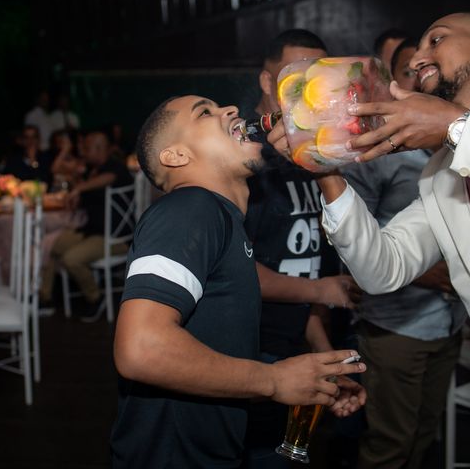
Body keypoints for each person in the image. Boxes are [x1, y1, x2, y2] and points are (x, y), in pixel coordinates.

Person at [269, 12, 470, 468]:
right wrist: (327, 174)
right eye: (417, 49)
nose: (417, 57)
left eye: (436, 39)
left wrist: (457, 126)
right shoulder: (439, 174)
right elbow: (382, 269)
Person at [110, 95, 366, 468]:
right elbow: (141, 348)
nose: (229, 110)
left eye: (220, 106)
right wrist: (274, 379)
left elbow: (210, 355)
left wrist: (309, 380)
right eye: (204, 113)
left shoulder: (222, 222)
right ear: (176, 156)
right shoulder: (190, 209)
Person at [339, 38, 466, 469]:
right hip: (397, 324)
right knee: (389, 446)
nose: (420, 78)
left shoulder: (464, 143)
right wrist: (430, 273)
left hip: (449, 323)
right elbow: (354, 238)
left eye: (428, 69)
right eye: (409, 72)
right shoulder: (378, 152)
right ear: (393, 82)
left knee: (425, 437)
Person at [241, 29, 363, 469]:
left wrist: (321, 352)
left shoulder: (315, 153)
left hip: (297, 345)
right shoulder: (245, 153)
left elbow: (310, 267)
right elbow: (234, 271)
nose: (310, 89)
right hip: (247, 351)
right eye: (295, 78)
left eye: (320, 77)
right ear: (265, 81)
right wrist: (320, 293)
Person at [40, 130, 133, 321]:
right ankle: (45, 297)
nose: (82, 151)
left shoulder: (115, 167)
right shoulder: (93, 169)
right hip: (91, 232)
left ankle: (95, 298)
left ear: (100, 148)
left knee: (71, 258)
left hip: (115, 238)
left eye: (87, 147)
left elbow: (107, 179)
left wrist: (80, 188)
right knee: (47, 245)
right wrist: (77, 194)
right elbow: (60, 172)